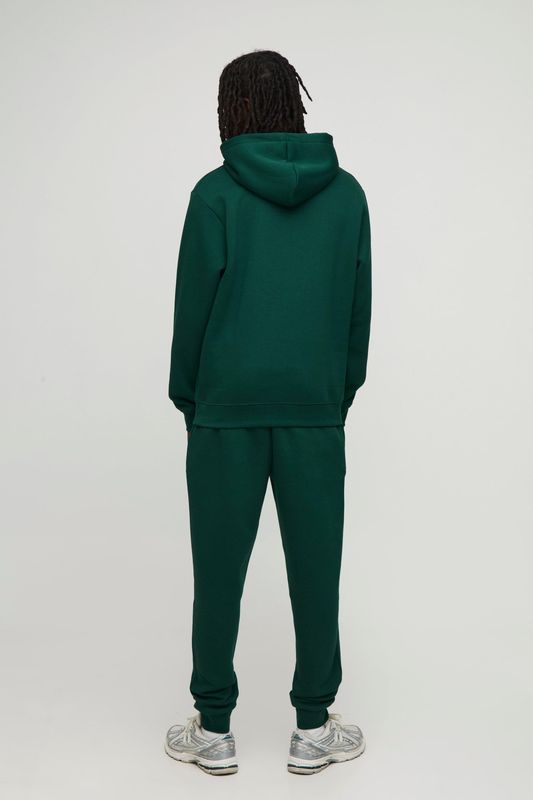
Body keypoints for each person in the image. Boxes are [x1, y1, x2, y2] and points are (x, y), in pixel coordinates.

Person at [164, 49, 372, 776]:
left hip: (225, 411)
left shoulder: (214, 194)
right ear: (295, 102)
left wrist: (191, 399)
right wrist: (335, 395)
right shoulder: (346, 195)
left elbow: (193, 307)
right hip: (314, 410)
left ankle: (213, 728)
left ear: (233, 110)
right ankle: (312, 727)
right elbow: (357, 307)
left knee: (217, 570)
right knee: (317, 570)